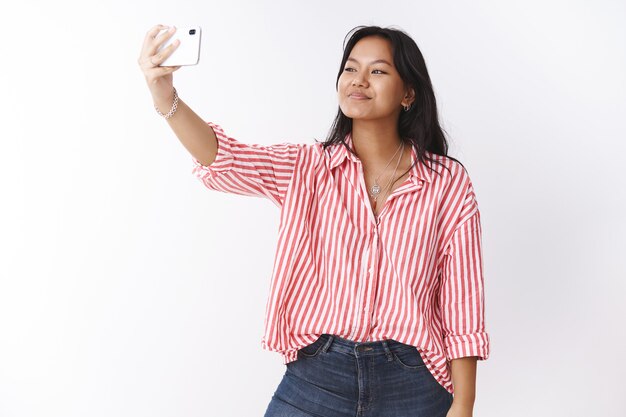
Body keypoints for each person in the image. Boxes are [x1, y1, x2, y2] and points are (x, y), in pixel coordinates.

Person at [138, 24, 490, 417]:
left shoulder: (446, 183)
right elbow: (224, 158)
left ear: (408, 93)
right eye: (350, 69)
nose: (358, 81)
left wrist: (464, 404)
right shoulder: (306, 168)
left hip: (411, 381)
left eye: (377, 71)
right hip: (319, 373)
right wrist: (165, 96)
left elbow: (462, 304)